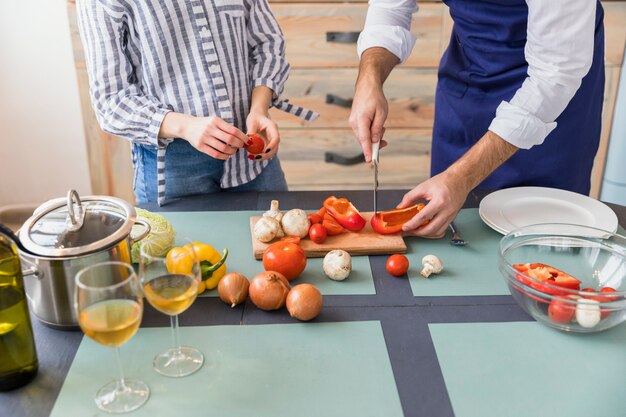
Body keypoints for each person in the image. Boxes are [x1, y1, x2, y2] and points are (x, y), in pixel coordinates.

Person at [350, 0, 604, 237]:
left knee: (544, 233)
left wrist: (461, 177)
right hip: (471, 75)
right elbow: (391, 8)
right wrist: (369, 77)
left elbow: (555, 76)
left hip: (552, 101)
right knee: (454, 226)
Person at [77, 0, 316, 206]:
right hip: (173, 169)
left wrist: (259, 107)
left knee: (279, 251)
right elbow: (111, 101)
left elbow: (267, 44)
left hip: (254, 160)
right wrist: (186, 126)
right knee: (182, 259)